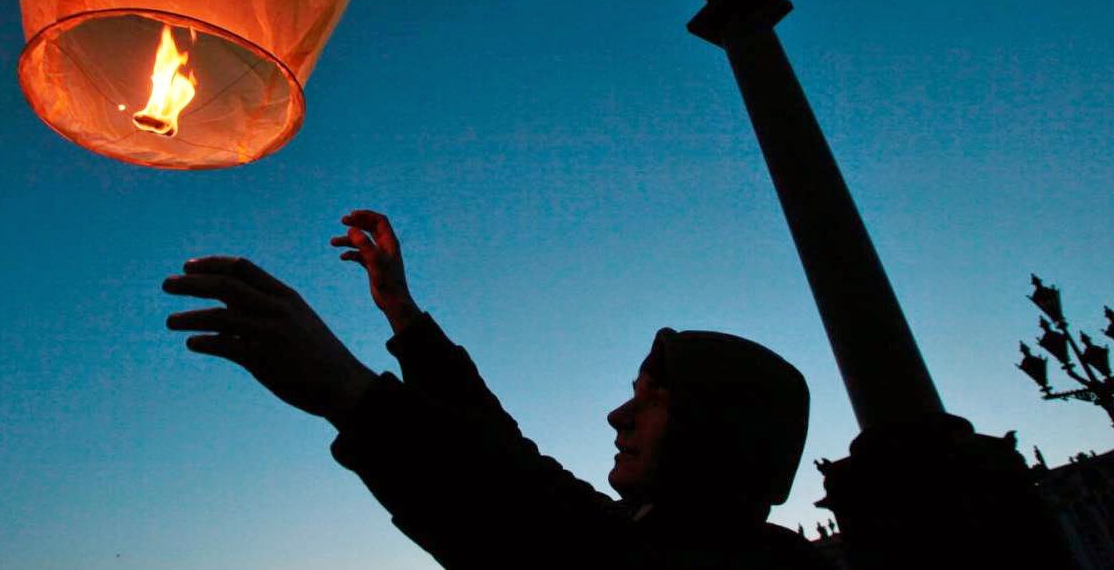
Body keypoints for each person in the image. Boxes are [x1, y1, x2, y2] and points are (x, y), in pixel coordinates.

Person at [164, 210, 821, 568]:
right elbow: (510, 465)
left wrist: (349, 392)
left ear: (721, 431)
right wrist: (401, 312)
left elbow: (504, 520)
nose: (619, 414)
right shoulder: (639, 533)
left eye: (656, 400)